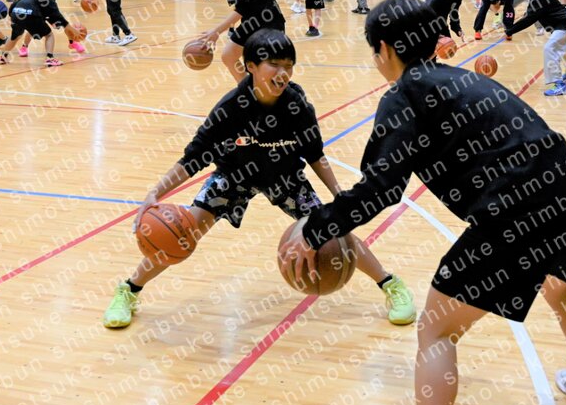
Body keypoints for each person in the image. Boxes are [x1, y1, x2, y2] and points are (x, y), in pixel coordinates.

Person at [280, 0, 566, 405]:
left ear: (384, 49)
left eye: (375, 52)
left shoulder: (403, 96)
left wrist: (315, 230)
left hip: (517, 213)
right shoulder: (460, 79)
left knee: (435, 331)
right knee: (558, 285)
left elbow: (380, 189)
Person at [103, 28, 416, 329]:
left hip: (285, 177)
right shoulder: (230, 109)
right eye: (274, 65)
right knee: (180, 233)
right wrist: (155, 193)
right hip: (233, 176)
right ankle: (129, 290)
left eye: (289, 66)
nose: (283, 73)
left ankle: (391, 284)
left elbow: (315, 155)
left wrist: (339, 198)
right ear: (250, 66)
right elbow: (193, 158)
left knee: (332, 229)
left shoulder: (297, 106)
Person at [508, 0, 566, 96]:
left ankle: (559, 85)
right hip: (559, 25)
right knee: (559, 46)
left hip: (564, 25)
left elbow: (529, 20)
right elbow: (529, 15)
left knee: (549, 48)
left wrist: (510, 31)